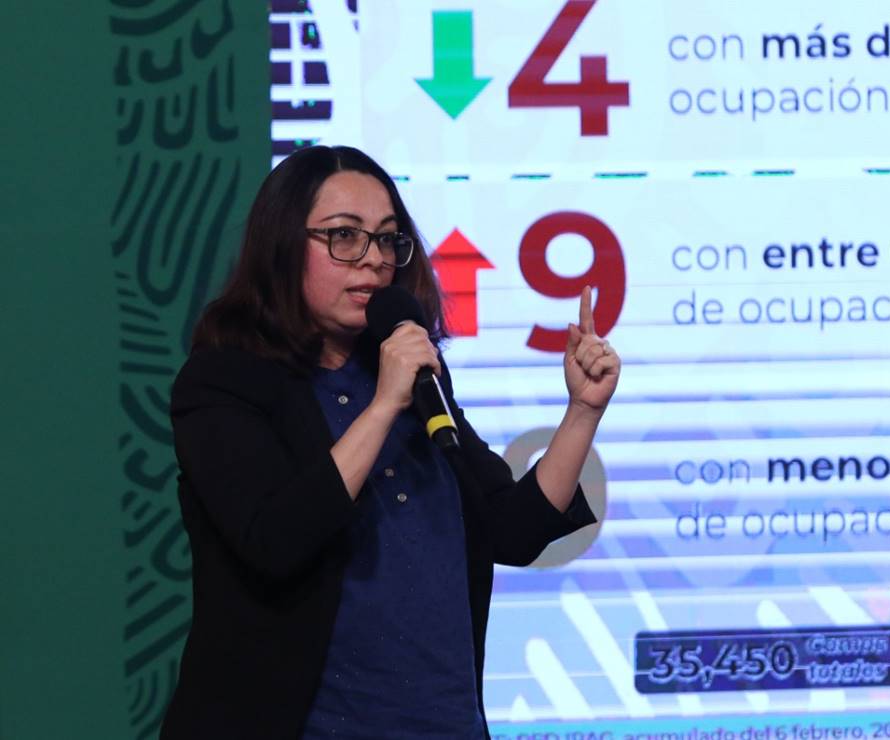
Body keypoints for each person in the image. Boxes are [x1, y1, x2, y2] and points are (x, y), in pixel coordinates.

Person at [159, 145, 620, 739]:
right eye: (344, 236)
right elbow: (276, 540)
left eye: (386, 239)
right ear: (282, 246)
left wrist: (582, 410)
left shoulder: (414, 378)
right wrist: (382, 407)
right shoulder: (224, 383)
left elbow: (514, 529)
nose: (374, 259)